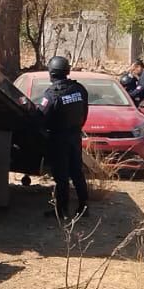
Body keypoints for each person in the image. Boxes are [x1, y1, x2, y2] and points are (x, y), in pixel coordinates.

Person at [39, 55, 90, 220]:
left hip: (58, 139)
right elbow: (84, 113)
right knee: (77, 172)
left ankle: (62, 211)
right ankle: (84, 207)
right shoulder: (80, 89)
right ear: (67, 71)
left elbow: (42, 117)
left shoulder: (52, 93)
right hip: (75, 136)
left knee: (61, 176)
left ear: (51, 73)